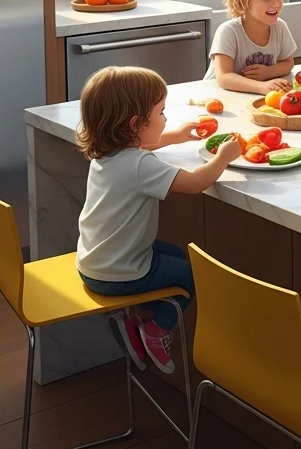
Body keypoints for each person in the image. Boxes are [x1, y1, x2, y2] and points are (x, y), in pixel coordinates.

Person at [75, 65, 241, 375]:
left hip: (94, 263)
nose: (165, 118)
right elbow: (194, 183)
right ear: (136, 123)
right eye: (162, 113)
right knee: (195, 275)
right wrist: (223, 157)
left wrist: (174, 137)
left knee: (177, 256)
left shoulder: (105, 154)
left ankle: (139, 318)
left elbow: (139, 149)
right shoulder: (140, 165)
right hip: (121, 273)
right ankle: (157, 330)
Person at [205, 0, 296, 93]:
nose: (276, 3)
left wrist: (268, 73)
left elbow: (288, 63)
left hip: (250, 96)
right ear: (241, 2)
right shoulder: (229, 32)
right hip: (217, 98)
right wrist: (262, 86)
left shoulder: (280, 27)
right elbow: (224, 77)